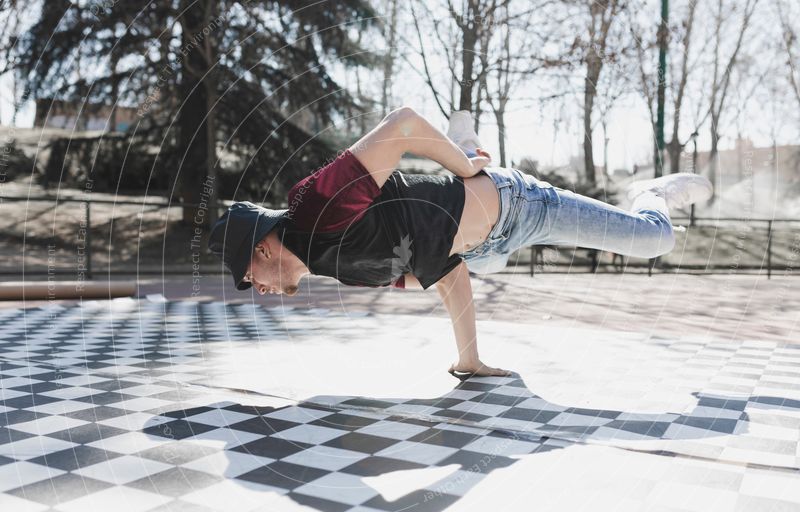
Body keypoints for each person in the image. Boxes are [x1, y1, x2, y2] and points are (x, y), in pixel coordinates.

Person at [208, 106, 712, 378]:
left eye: (250, 279)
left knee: (653, 238)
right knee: (476, 255)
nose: (258, 289)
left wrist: (468, 168)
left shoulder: (315, 209)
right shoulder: (334, 265)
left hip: (521, 206)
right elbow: (446, 270)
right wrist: (468, 356)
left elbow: (403, 124)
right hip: (480, 248)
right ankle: (466, 142)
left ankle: (650, 193)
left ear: (263, 249)